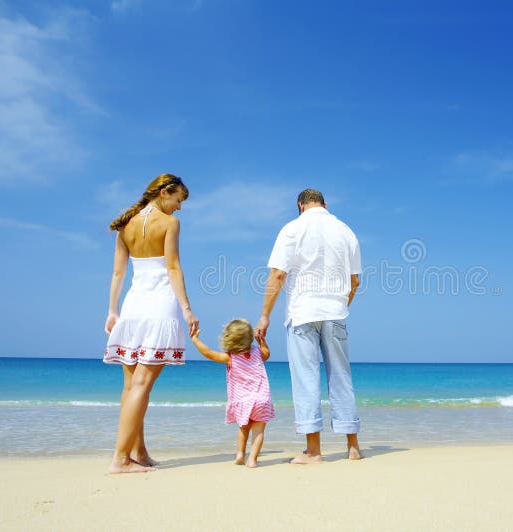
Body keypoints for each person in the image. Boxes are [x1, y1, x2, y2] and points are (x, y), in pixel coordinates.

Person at [255, 189, 362, 464]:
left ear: (300, 206)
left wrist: (265, 315)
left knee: (306, 378)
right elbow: (355, 282)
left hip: (302, 313)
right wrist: (341, 304)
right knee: (341, 377)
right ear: (325, 205)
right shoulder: (346, 231)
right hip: (336, 312)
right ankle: (353, 447)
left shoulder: (292, 228)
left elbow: (278, 274)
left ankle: (313, 451)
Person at [103, 173, 199, 473]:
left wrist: (112, 310)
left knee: (132, 385)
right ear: (165, 192)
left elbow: (118, 274)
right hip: (159, 305)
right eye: (178, 200)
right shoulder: (170, 224)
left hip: (132, 307)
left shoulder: (126, 224)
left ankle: (138, 452)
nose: (179, 207)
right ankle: (120, 459)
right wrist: (187, 309)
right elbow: (172, 267)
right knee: (142, 385)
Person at [191, 319, 274, 468]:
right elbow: (267, 354)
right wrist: (262, 341)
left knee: (243, 429)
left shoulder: (230, 358)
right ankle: (253, 460)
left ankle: (240, 455)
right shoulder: (257, 353)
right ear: (249, 338)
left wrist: (195, 339)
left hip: (242, 401)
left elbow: (209, 354)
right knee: (258, 432)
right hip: (262, 399)